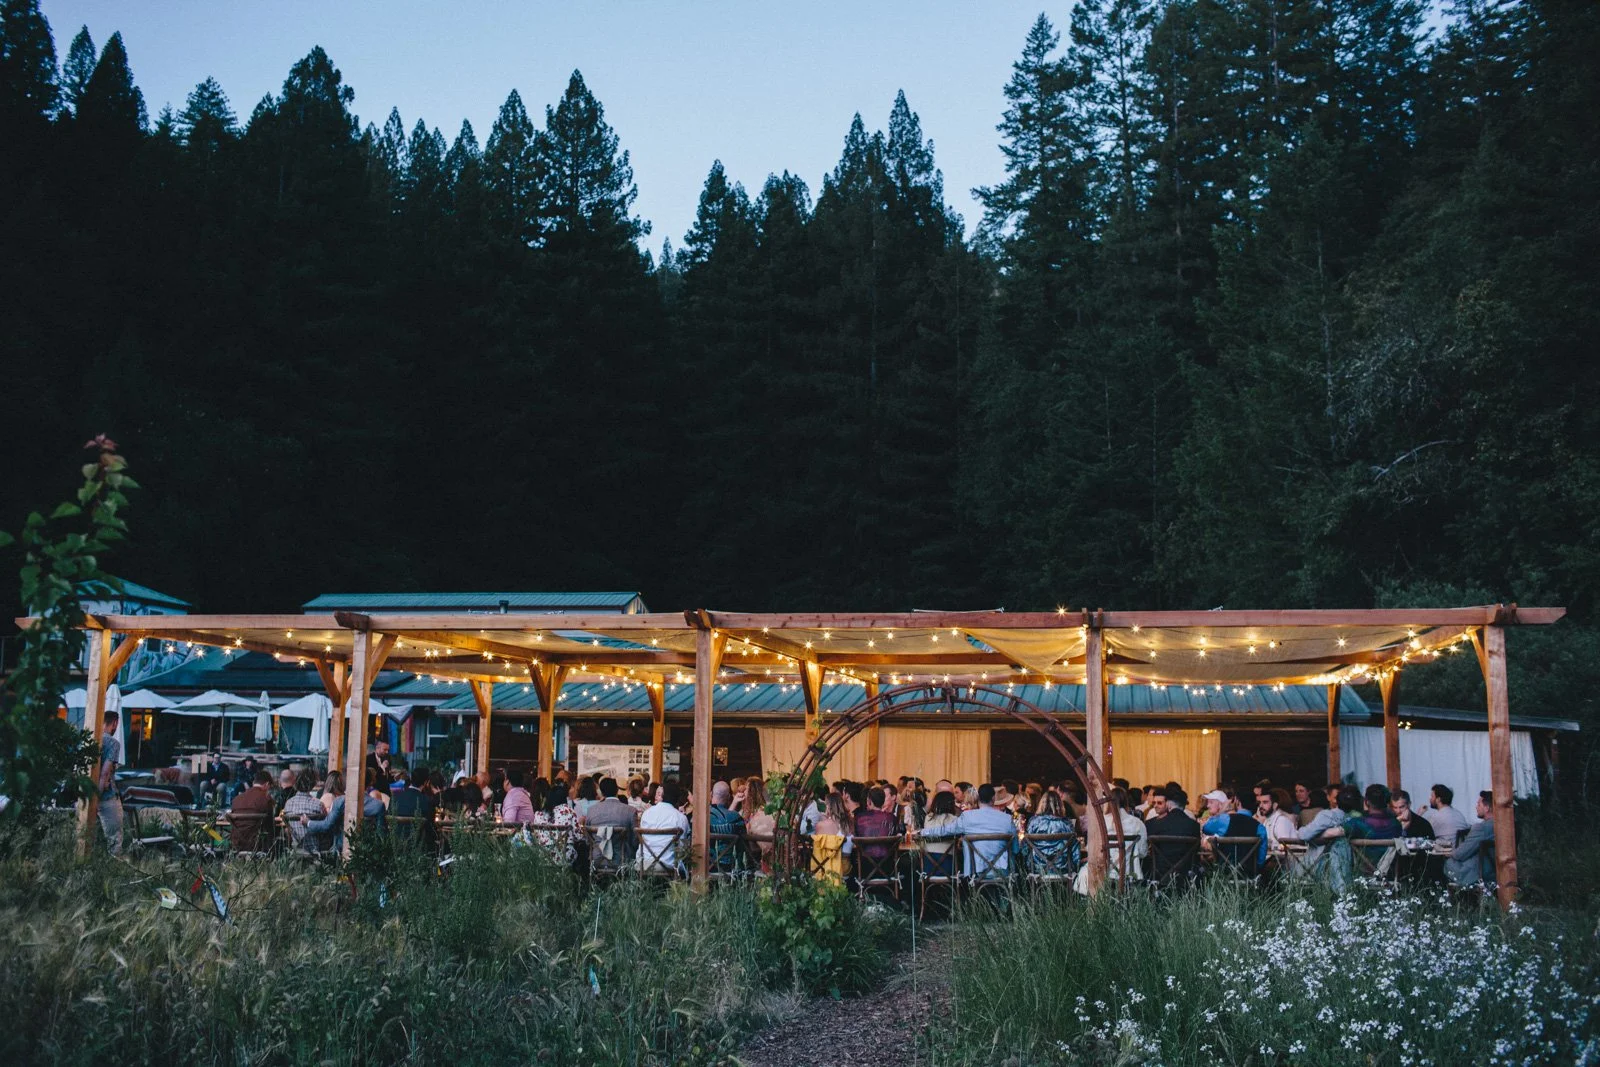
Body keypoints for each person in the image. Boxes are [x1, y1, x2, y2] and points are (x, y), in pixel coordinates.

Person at [1143, 787, 1202, 885]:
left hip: (1160, 872)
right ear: (1184, 806)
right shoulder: (1194, 825)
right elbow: (1196, 850)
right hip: (1186, 872)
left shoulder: (1156, 824)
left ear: (1169, 804)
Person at [957, 783, 1016, 878]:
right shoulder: (1007, 819)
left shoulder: (967, 817)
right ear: (993, 799)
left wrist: (924, 832)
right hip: (1002, 873)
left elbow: (947, 829)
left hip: (976, 872)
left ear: (978, 799)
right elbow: (1015, 849)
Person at [1201, 788, 1266, 869]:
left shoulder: (1225, 819)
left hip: (1224, 872)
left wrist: (1221, 812)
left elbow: (1206, 828)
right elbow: (1261, 859)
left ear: (1237, 802)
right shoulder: (1260, 827)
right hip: (1249, 874)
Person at [1445, 791, 1496, 887]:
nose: (1476, 807)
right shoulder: (1501, 826)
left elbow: (1461, 854)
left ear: (1487, 808)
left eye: (1479, 804)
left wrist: (1450, 853)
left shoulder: (1481, 828)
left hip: (1477, 873)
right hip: (1494, 870)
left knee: (1444, 863)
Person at [639, 781, 691, 874]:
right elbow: (683, 847)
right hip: (670, 864)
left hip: (645, 862)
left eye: (658, 793)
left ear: (663, 796)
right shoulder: (681, 818)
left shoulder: (646, 813)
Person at [1024, 789, 1077, 873]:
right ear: (1060, 804)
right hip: (1062, 869)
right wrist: (1075, 867)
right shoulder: (1066, 823)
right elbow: (1074, 850)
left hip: (1037, 869)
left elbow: (1025, 848)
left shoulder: (1034, 822)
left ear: (1042, 804)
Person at [95, 711, 124, 855]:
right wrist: (97, 797)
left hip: (87, 796)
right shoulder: (113, 743)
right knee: (114, 840)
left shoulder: (90, 739)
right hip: (106, 797)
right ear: (115, 723)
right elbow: (105, 773)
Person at [530, 781, 578, 865]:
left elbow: (536, 837)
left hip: (544, 855)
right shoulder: (569, 811)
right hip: (565, 855)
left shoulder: (539, 814)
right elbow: (579, 835)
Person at [852, 785, 899, 867]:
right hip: (888, 867)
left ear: (869, 801)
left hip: (865, 867)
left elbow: (855, 838)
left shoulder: (859, 818)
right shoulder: (892, 818)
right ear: (883, 801)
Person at [230, 770, 276, 853]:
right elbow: (270, 826)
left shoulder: (236, 799)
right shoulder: (266, 799)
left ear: (253, 783)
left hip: (237, 842)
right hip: (257, 844)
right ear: (267, 784)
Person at [300, 771, 346, 853]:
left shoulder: (338, 798)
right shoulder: (330, 797)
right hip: (330, 837)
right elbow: (327, 822)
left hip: (332, 836)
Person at [809, 792, 851, 881]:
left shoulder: (821, 825)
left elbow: (818, 850)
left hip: (825, 869)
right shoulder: (850, 824)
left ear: (828, 806)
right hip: (845, 869)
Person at [391, 765, 437, 845]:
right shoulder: (427, 801)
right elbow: (430, 829)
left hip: (395, 842)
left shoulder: (395, 796)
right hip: (418, 846)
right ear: (426, 782)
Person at [707, 781, 746, 871]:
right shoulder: (736, 818)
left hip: (708, 866)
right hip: (732, 867)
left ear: (711, 794)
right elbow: (743, 843)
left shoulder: (703, 817)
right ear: (728, 797)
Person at [739, 776, 777, 869]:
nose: (744, 792)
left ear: (751, 793)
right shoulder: (769, 811)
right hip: (766, 855)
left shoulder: (757, 815)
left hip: (757, 858)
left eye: (746, 789)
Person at [282, 769, 324, 848]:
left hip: (296, 847)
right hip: (315, 847)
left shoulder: (289, 803)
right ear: (312, 785)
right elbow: (322, 827)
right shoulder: (317, 804)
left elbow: (287, 830)